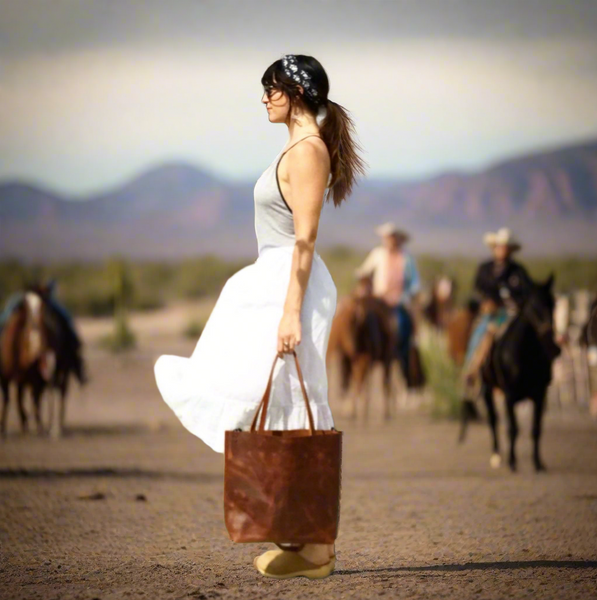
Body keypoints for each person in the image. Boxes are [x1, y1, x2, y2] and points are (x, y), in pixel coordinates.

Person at [153, 53, 366, 579]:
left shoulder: (309, 150)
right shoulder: (295, 148)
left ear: (295, 93)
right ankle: (298, 533)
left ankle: (316, 545)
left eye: (272, 89)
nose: (265, 98)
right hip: (270, 282)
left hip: (291, 287)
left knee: (293, 401)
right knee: (263, 403)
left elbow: (306, 238)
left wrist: (291, 312)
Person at [462, 227, 533, 398]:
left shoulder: (518, 271)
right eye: (500, 246)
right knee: (481, 334)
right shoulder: (485, 269)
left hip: (513, 315)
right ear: (494, 247)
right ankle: (471, 370)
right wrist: (485, 304)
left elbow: (526, 294)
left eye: (506, 246)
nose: (503, 249)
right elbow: (477, 291)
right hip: (492, 315)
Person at [354, 222, 421, 386]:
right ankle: (360, 351)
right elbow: (364, 271)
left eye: (392, 238)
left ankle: (396, 353)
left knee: (398, 324)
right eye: (387, 238)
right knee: (360, 319)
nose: (389, 241)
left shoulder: (406, 258)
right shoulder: (378, 254)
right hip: (378, 300)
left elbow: (415, 283)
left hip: (398, 302)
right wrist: (362, 281)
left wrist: (404, 295)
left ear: (398, 239)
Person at [0, 279, 87, 384]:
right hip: (27, 292)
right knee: (6, 317)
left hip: (43, 293)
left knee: (65, 318)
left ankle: (75, 352)